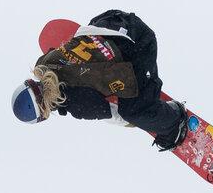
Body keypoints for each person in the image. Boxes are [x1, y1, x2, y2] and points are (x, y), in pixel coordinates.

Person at [11, 10, 189, 151]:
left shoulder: (75, 102)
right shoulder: (44, 62)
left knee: (133, 112)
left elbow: (114, 112)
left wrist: (135, 122)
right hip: (115, 21)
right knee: (87, 44)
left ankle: (175, 121)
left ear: (44, 112)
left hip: (140, 44)